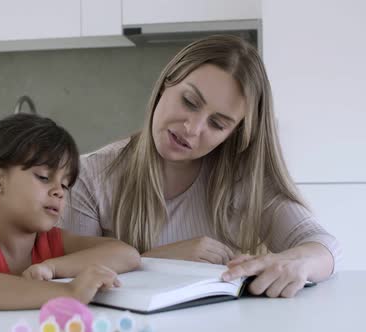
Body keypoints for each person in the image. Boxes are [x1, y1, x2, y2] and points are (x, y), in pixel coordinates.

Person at [62, 35, 341, 298]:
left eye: (217, 124)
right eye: (189, 102)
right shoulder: (90, 175)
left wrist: (296, 261)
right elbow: (70, 275)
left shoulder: (243, 179)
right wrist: (158, 259)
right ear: (165, 85)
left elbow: (323, 246)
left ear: (233, 133)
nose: (192, 129)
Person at [0, 113, 140, 325]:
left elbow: (127, 255)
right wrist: (69, 291)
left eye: (65, 185)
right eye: (44, 177)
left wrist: (53, 268)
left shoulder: (50, 241)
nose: (59, 192)